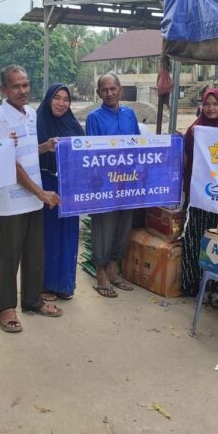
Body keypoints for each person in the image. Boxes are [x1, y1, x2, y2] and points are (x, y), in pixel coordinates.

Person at [0, 65, 63, 332]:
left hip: (33, 196)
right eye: (16, 86)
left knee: (35, 251)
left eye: (26, 84)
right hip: (12, 198)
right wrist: (41, 193)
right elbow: (10, 163)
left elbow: (27, 149)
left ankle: (32, 300)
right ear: (4, 90)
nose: (23, 90)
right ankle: (5, 308)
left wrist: (46, 146)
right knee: (10, 255)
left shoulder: (30, 113)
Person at [85, 73, 140, 298]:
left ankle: (113, 270)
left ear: (120, 90)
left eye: (112, 89)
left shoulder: (130, 114)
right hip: (105, 183)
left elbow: (139, 144)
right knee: (104, 227)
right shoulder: (94, 118)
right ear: (99, 93)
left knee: (124, 225)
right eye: (104, 90)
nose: (109, 93)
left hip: (128, 182)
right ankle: (100, 273)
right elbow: (92, 151)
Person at [180, 88, 218, 295]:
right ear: (201, 106)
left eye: (215, 104)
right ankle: (192, 283)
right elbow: (187, 161)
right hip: (199, 195)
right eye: (207, 104)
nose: (211, 108)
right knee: (195, 237)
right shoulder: (194, 130)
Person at [36, 83, 85, 301]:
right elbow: (24, 155)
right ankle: (45, 285)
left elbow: (86, 154)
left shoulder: (73, 125)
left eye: (66, 99)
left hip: (69, 187)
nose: (61, 103)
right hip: (45, 185)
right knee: (48, 235)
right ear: (48, 99)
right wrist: (45, 147)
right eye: (57, 98)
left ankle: (65, 284)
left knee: (68, 234)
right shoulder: (37, 122)